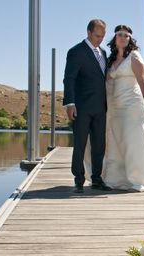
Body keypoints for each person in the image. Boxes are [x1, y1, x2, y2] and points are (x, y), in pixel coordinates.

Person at [102, 24, 144, 192]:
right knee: (115, 141)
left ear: (130, 39)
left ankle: (139, 179)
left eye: (126, 36)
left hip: (132, 104)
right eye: (120, 35)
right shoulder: (111, 59)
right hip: (115, 106)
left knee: (133, 140)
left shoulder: (134, 57)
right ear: (115, 38)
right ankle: (116, 178)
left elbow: (142, 81)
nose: (123, 38)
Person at [63, 19, 112, 193]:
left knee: (99, 145)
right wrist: (70, 103)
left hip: (100, 108)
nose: (100, 39)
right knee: (80, 144)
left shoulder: (104, 53)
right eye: (97, 35)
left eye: (103, 36)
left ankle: (97, 179)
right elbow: (69, 79)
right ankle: (78, 180)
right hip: (81, 108)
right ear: (89, 32)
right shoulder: (76, 52)